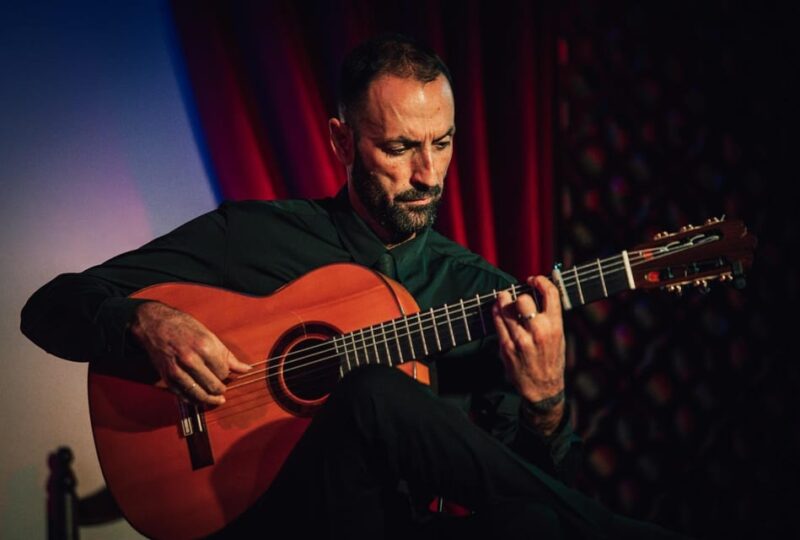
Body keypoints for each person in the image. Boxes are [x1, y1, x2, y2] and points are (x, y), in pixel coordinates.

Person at [21, 34, 686, 539]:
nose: (429, 174)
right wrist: (145, 321)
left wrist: (546, 404)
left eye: (445, 143)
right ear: (342, 141)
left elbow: (529, 493)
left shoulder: (484, 294)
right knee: (370, 392)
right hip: (261, 519)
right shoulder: (251, 239)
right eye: (399, 149)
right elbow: (48, 308)